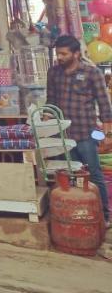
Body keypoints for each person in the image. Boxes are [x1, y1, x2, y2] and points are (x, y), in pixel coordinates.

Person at [47, 34, 111, 226]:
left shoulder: (92, 72)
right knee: (68, 177)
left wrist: (107, 136)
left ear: (76, 53)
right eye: (58, 53)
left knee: (93, 174)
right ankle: (77, 215)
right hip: (62, 136)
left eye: (64, 54)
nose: (59, 57)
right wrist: (45, 123)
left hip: (86, 133)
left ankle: (105, 216)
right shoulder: (54, 72)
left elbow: (105, 107)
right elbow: (50, 100)